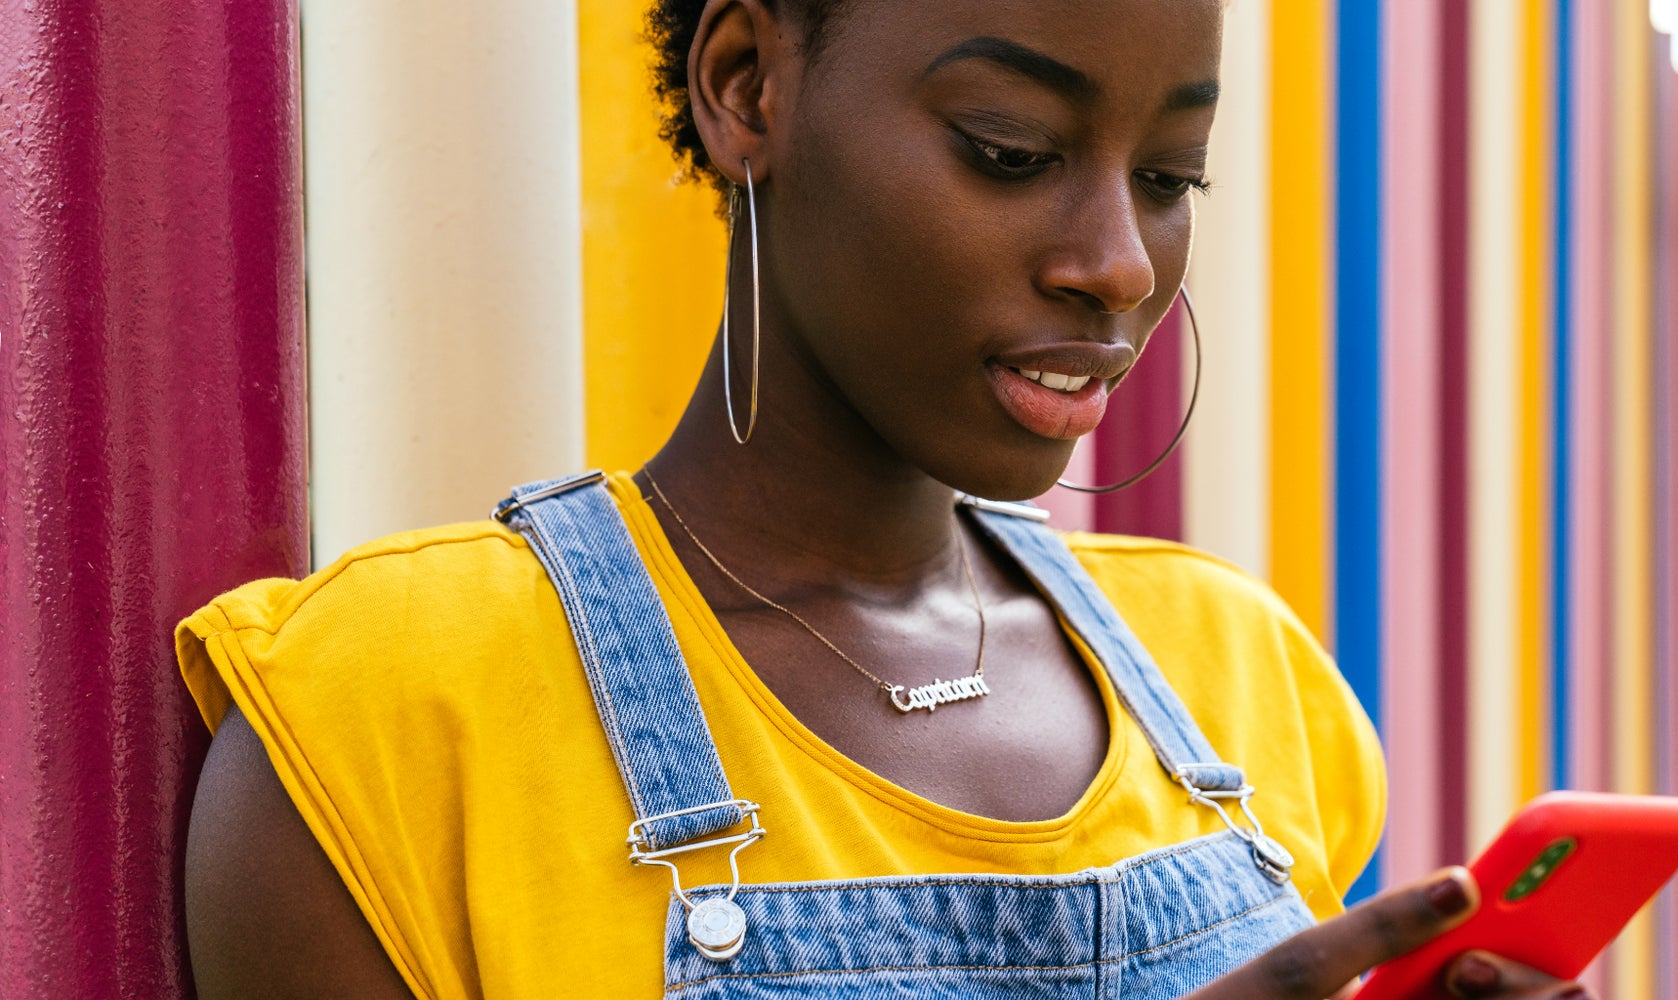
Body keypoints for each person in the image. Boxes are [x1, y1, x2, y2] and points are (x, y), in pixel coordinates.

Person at [180, 1, 1592, 997]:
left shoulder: (1244, 677)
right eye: (1012, 148)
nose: (1115, 259)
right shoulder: (396, 722)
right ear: (748, 85)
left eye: (1170, 175)